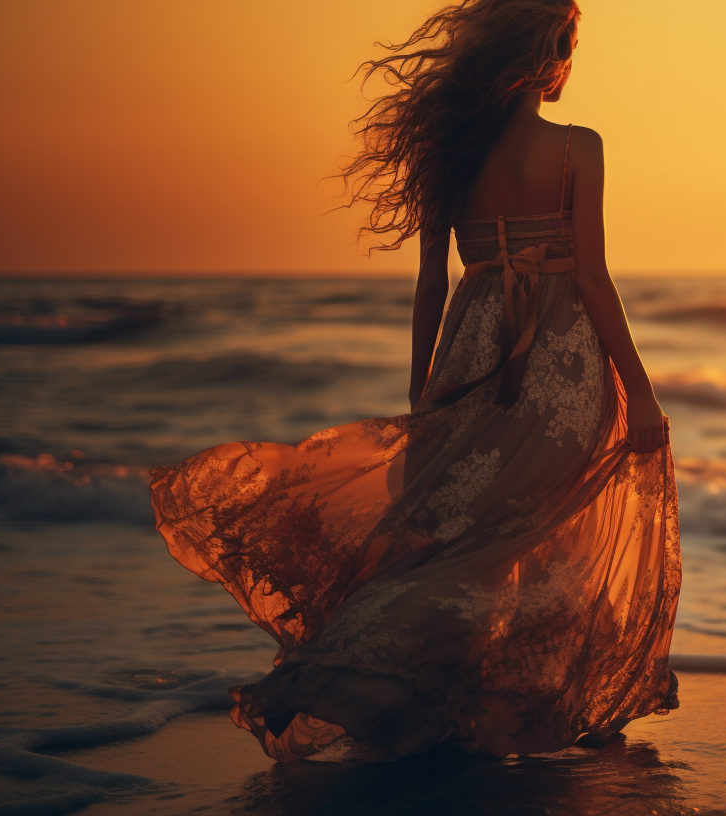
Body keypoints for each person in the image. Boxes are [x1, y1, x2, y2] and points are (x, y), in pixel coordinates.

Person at [149, 0, 680, 762]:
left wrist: (422, 388)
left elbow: (433, 282)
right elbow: (592, 278)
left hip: (472, 351)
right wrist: (644, 393)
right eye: (571, 47)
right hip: (562, 361)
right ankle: (504, 703)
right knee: (535, 536)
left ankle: (429, 694)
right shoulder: (577, 148)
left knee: (457, 534)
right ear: (551, 53)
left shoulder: (451, 154)